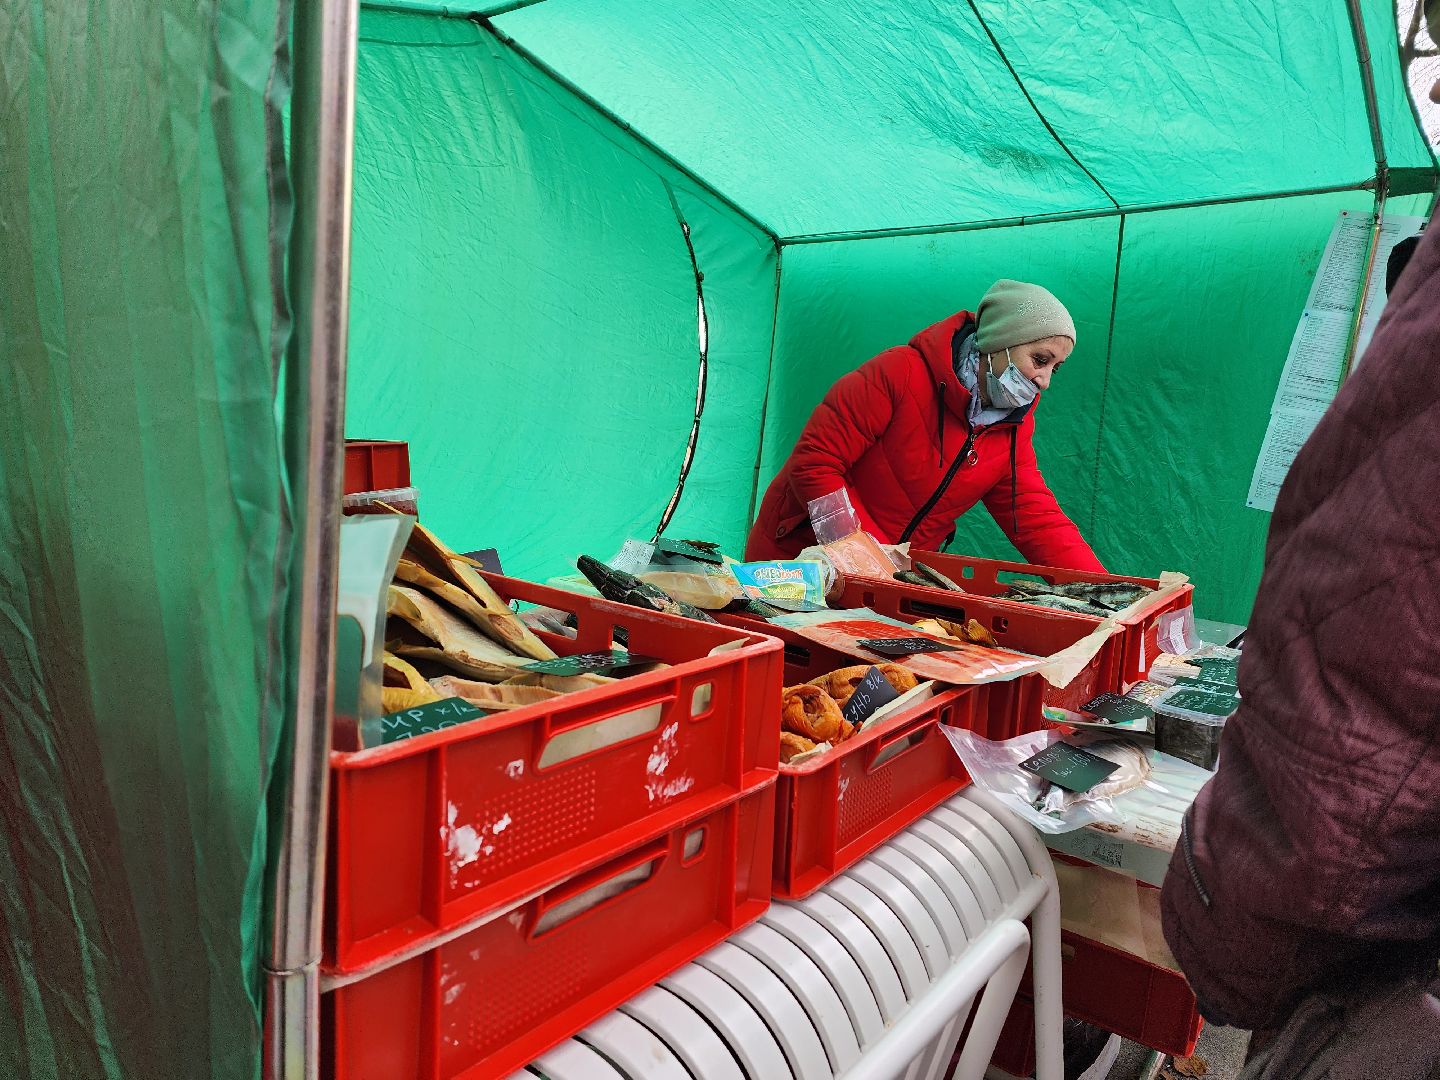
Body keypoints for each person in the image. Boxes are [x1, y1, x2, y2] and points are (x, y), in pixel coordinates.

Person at [1159, 220, 1440, 1076]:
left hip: (1337, 924)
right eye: (1037, 363)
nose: (1041, 380)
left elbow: (1369, 654)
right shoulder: (896, 387)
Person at [745, 280, 1104, 571]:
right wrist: (864, 554)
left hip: (886, 577)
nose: (1044, 381)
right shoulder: (899, 373)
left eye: (1054, 368)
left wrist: (1114, 596)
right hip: (794, 558)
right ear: (998, 343)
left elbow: (1035, 517)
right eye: (1040, 360)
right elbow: (816, 462)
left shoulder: (1011, 429)